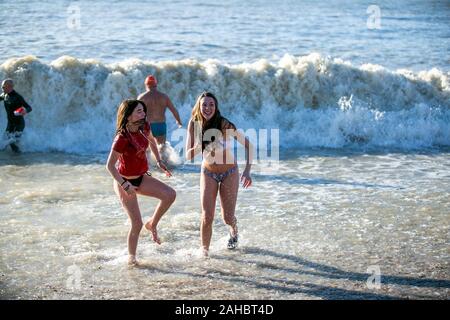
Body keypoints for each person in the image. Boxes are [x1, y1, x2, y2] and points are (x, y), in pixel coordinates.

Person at [106, 99, 176, 266]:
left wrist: (159, 161)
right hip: (124, 183)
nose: (143, 113)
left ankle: (152, 224)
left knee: (170, 195)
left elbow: (152, 141)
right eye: (139, 111)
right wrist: (124, 185)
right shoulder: (122, 138)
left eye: (143, 110)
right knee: (136, 223)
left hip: (141, 178)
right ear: (128, 116)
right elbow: (109, 166)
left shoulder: (144, 127)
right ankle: (132, 260)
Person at [186, 92, 253, 257]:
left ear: (216, 107)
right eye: (204, 105)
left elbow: (248, 146)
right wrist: (204, 144)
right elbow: (188, 155)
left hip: (229, 172)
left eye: (211, 105)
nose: (207, 108)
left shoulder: (224, 124)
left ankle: (234, 231)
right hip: (208, 172)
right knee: (207, 216)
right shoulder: (194, 124)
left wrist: (247, 171)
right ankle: (205, 252)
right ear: (199, 107)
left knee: (227, 217)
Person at [137, 75, 182, 148]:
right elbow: (174, 110)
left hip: (148, 125)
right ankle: (163, 159)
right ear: (156, 84)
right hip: (161, 125)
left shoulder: (142, 97)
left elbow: (135, 113)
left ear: (146, 85)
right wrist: (179, 122)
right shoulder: (164, 97)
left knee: (148, 149)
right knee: (162, 148)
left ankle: (151, 159)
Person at [0, 79, 32, 153]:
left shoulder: (18, 97)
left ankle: (20, 154)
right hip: (10, 123)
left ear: (10, 87)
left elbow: (29, 107)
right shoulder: (4, 95)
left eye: (3, 87)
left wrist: (25, 111)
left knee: (12, 140)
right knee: (8, 140)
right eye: (2, 87)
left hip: (19, 123)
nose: (2, 88)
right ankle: (17, 156)